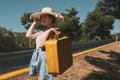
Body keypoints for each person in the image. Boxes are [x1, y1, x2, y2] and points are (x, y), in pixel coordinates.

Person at [25, 7, 64, 80]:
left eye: (45, 16)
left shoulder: (54, 31)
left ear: (51, 18)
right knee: (40, 77)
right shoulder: (42, 31)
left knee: (44, 78)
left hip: (45, 57)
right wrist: (34, 23)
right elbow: (28, 35)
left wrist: (49, 31)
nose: (42, 18)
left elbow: (41, 45)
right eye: (42, 16)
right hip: (37, 56)